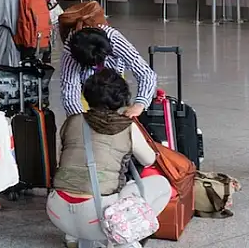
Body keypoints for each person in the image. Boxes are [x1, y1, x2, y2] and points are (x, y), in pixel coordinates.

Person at [47, 69, 172, 248]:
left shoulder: (72, 121)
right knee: (161, 184)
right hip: (96, 217)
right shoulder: (127, 127)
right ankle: (125, 235)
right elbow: (148, 160)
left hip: (57, 211)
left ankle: (76, 238)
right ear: (121, 98)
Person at [58, 6, 157, 119]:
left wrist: (139, 104)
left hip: (114, 86)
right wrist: (83, 122)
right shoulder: (70, 51)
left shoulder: (113, 38)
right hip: (85, 91)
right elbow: (70, 93)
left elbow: (145, 73)